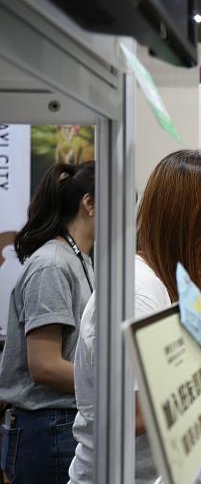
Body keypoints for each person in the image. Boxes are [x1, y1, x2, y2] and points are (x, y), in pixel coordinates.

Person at [68, 151, 201, 483]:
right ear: (195, 216)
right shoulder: (137, 290)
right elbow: (137, 413)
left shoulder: (179, 283)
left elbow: (176, 390)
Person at [0, 161, 95, 484]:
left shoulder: (80, 260)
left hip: (65, 422)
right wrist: (111, 385)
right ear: (90, 204)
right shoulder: (51, 265)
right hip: (48, 428)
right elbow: (44, 366)